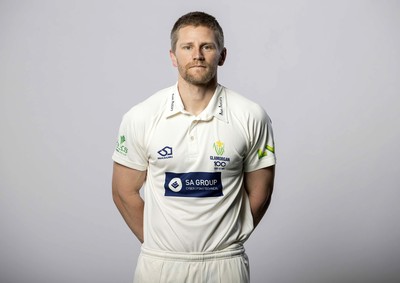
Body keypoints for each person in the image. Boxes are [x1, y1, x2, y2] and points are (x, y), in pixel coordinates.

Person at [112, 11, 276, 283]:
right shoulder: (141, 116)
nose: (197, 55)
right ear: (173, 56)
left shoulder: (251, 115)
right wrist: (161, 245)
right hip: (160, 263)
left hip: (225, 263)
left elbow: (261, 193)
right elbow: (123, 191)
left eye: (207, 46)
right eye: (187, 47)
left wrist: (226, 241)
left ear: (222, 55)